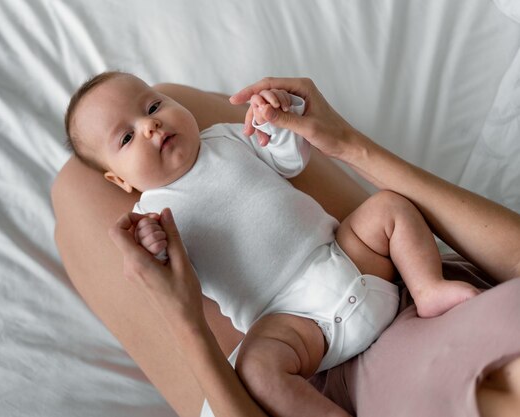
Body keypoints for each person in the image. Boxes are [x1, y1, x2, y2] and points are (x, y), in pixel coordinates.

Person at [52, 76, 520, 417]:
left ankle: (429, 286)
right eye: (128, 137)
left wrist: (275, 123)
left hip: (341, 257)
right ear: (120, 181)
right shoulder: (152, 211)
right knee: (258, 368)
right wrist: (153, 243)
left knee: (388, 209)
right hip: (286, 317)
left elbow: (288, 160)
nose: (150, 126)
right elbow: (167, 268)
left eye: (153, 106)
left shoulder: (225, 137)